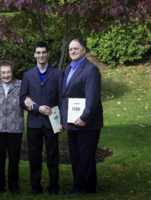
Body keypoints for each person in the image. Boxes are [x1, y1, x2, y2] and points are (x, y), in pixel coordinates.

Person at [20, 41, 63, 195]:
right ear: (34, 54)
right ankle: (35, 187)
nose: (41, 55)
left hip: (52, 122)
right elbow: (22, 98)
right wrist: (37, 108)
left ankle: (53, 187)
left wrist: (61, 121)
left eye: (44, 52)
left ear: (48, 53)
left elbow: (61, 99)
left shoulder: (58, 74)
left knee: (53, 155)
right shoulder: (27, 75)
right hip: (34, 123)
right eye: (38, 52)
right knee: (34, 156)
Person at [60, 39, 103, 195]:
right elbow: (64, 96)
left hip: (87, 123)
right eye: (70, 49)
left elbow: (93, 98)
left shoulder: (91, 70)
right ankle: (78, 186)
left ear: (84, 50)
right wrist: (63, 120)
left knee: (86, 157)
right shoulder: (68, 69)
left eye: (76, 48)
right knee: (76, 157)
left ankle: (87, 188)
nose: (72, 51)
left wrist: (85, 118)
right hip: (72, 121)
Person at [0, 60, 24, 195]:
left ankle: (14, 186)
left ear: (13, 72)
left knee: (14, 159)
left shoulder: (21, 85)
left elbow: (27, 99)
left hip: (15, 127)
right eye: (3, 72)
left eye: (8, 72)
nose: (6, 75)